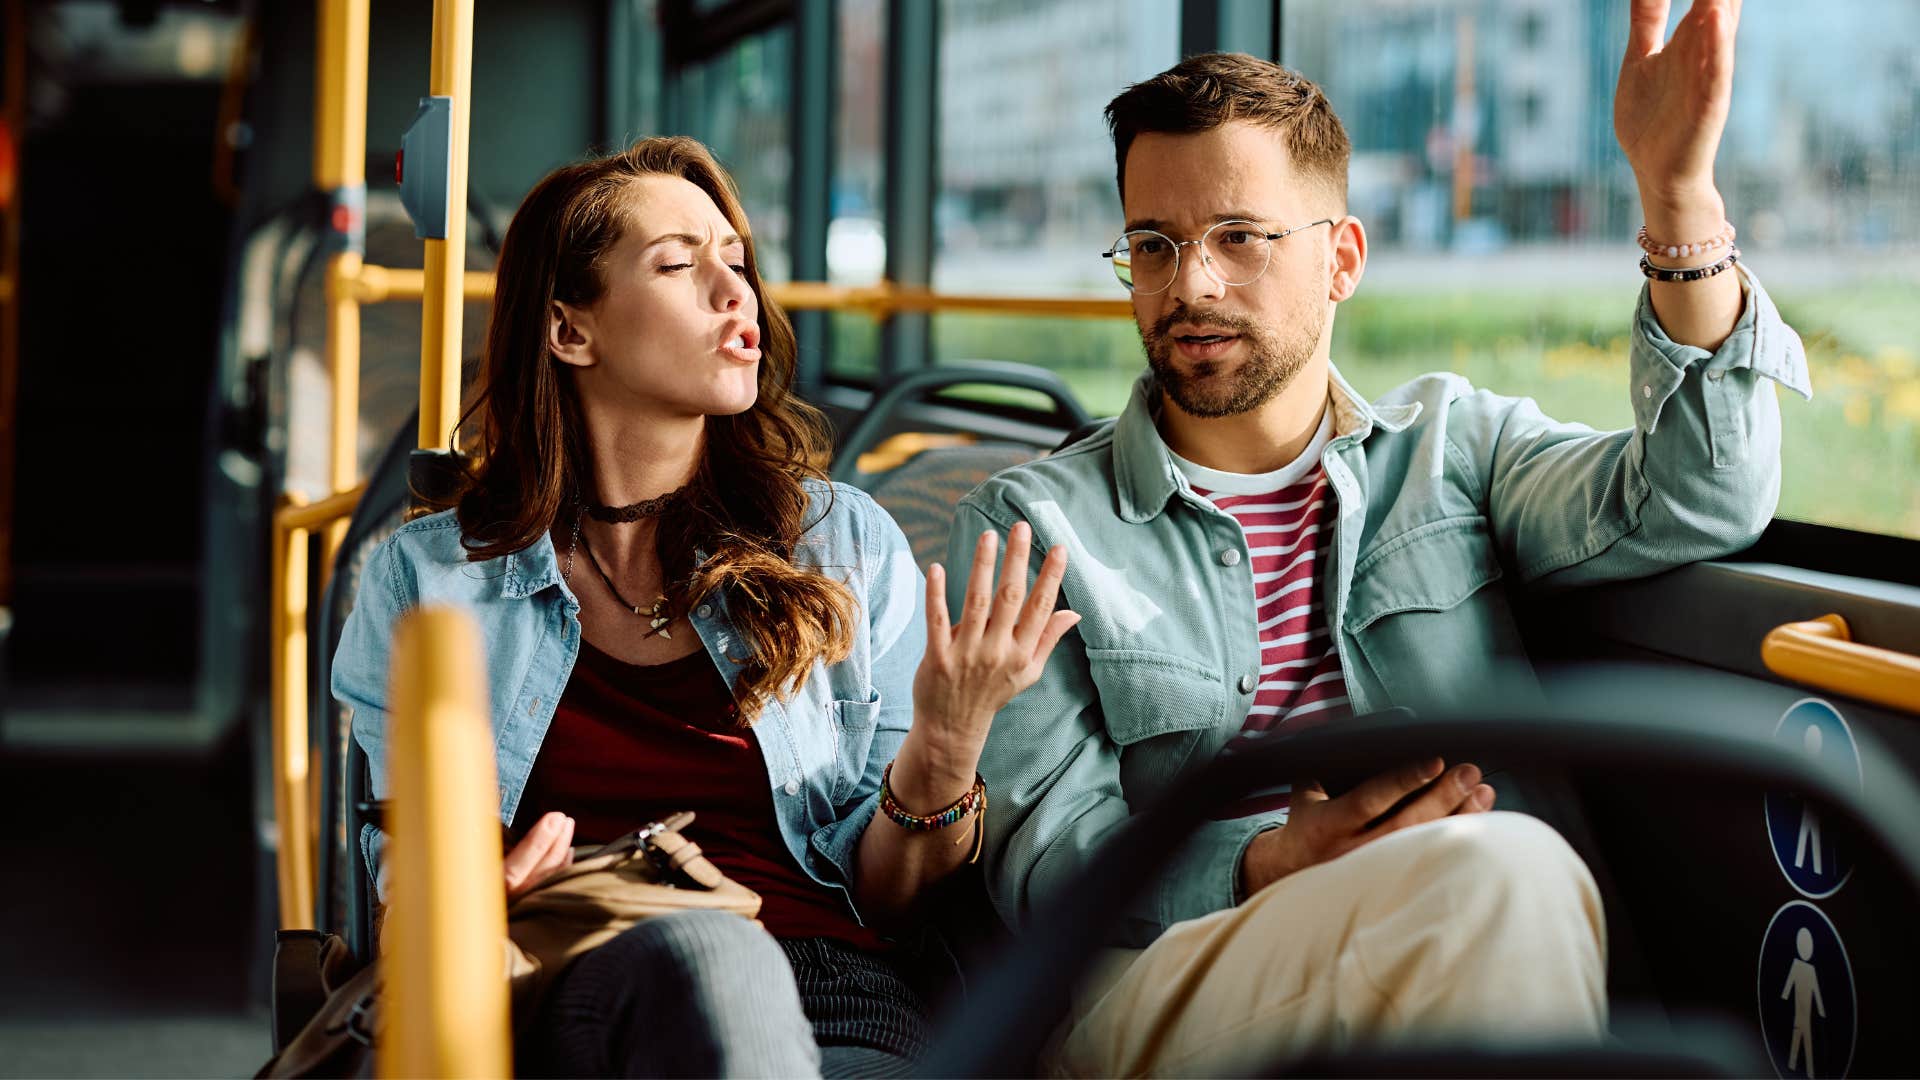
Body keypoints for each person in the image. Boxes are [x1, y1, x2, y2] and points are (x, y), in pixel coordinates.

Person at [954, 2, 1811, 1075]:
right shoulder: (1033, 524)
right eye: (1153, 246)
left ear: (1342, 258)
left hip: (1458, 924)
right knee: (1504, 878)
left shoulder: (1455, 448)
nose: (1191, 285)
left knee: (1491, 887)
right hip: (1159, 981)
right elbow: (1044, 866)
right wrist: (1267, 861)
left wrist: (1679, 200)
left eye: (1239, 238)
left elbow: (1703, 497)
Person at [332, 136, 1077, 1078]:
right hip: (560, 982)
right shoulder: (432, 581)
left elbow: (890, 900)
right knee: (708, 949)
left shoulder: (841, 546)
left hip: (830, 995)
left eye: (737, 260)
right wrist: (468, 896)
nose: (737, 295)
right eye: (680, 265)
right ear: (570, 331)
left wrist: (947, 740)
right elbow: (411, 894)